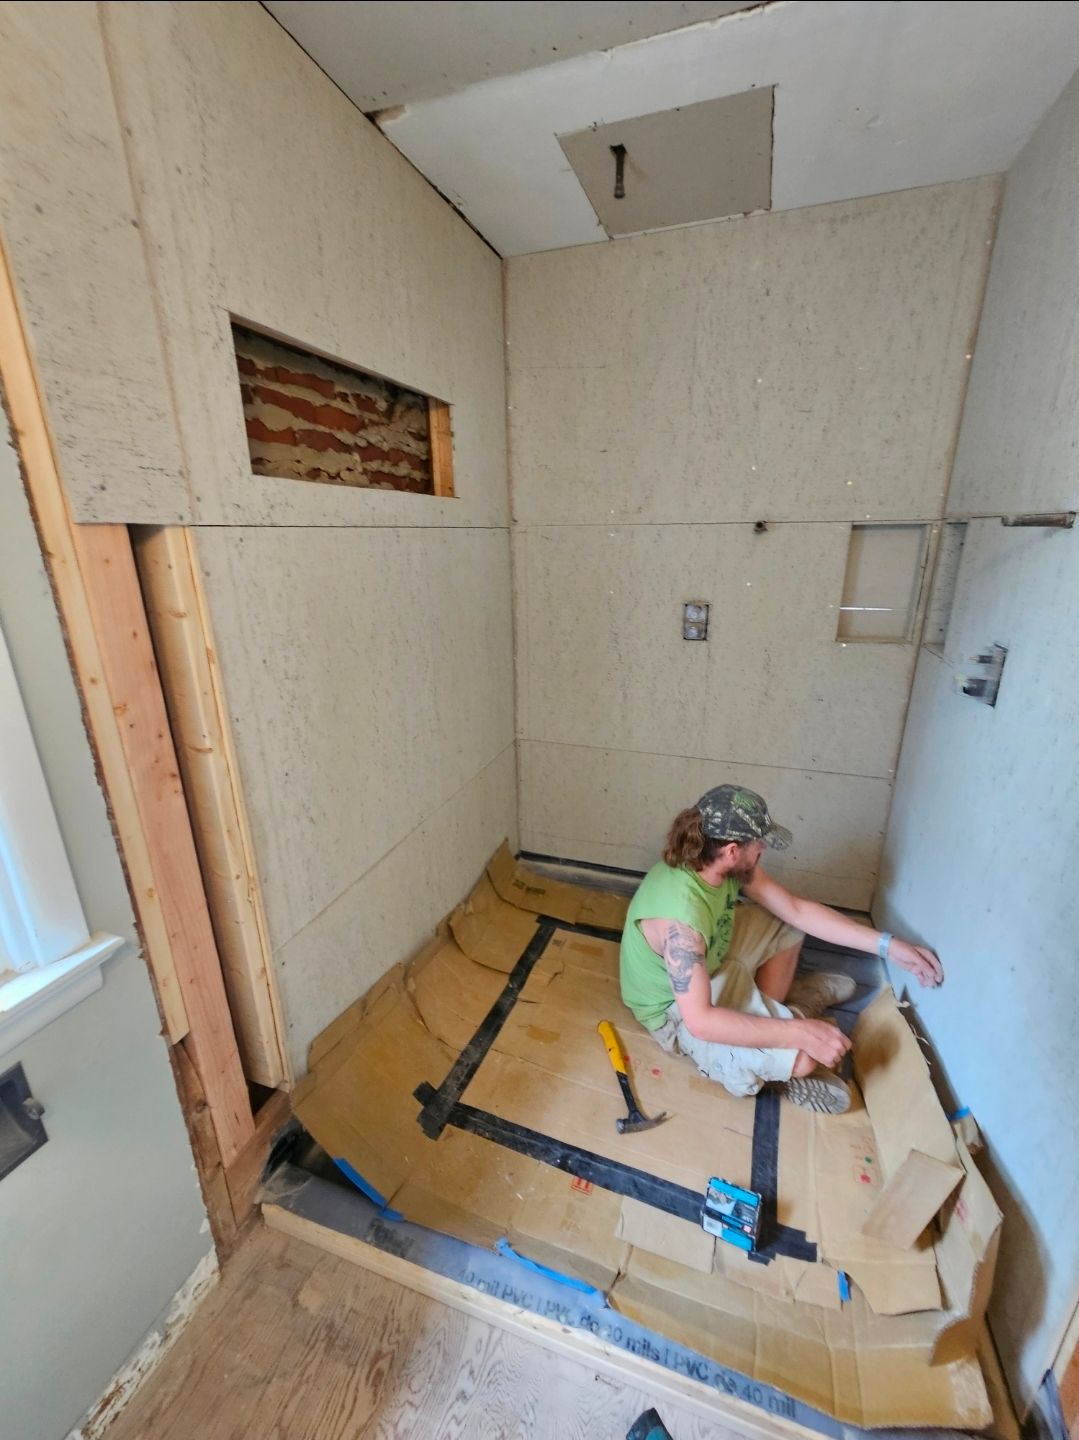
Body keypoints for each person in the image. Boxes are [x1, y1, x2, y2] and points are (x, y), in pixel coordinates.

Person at [619, 784, 943, 1114]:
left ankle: (778, 1014)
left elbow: (795, 910)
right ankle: (789, 1032)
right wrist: (797, 1033)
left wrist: (887, 945)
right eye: (758, 843)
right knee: (804, 1060)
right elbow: (700, 1021)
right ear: (732, 850)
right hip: (676, 1012)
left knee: (788, 924)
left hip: (709, 963)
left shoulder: (712, 859)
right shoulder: (682, 926)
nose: (762, 848)